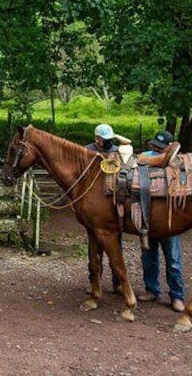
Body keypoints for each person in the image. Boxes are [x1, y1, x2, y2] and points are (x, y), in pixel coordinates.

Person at [137, 131, 185, 312]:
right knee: (148, 257)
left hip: (169, 220)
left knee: (173, 259)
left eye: (160, 147)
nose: (155, 148)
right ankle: (152, 289)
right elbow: (139, 161)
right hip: (147, 217)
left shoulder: (177, 162)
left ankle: (177, 295)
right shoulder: (144, 157)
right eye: (155, 145)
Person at [85, 123, 122, 292]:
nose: (108, 143)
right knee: (93, 247)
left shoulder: (116, 151)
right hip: (95, 204)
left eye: (110, 140)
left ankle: (118, 283)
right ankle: (95, 282)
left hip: (112, 204)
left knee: (116, 247)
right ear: (97, 139)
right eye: (105, 140)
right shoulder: (86, 152)